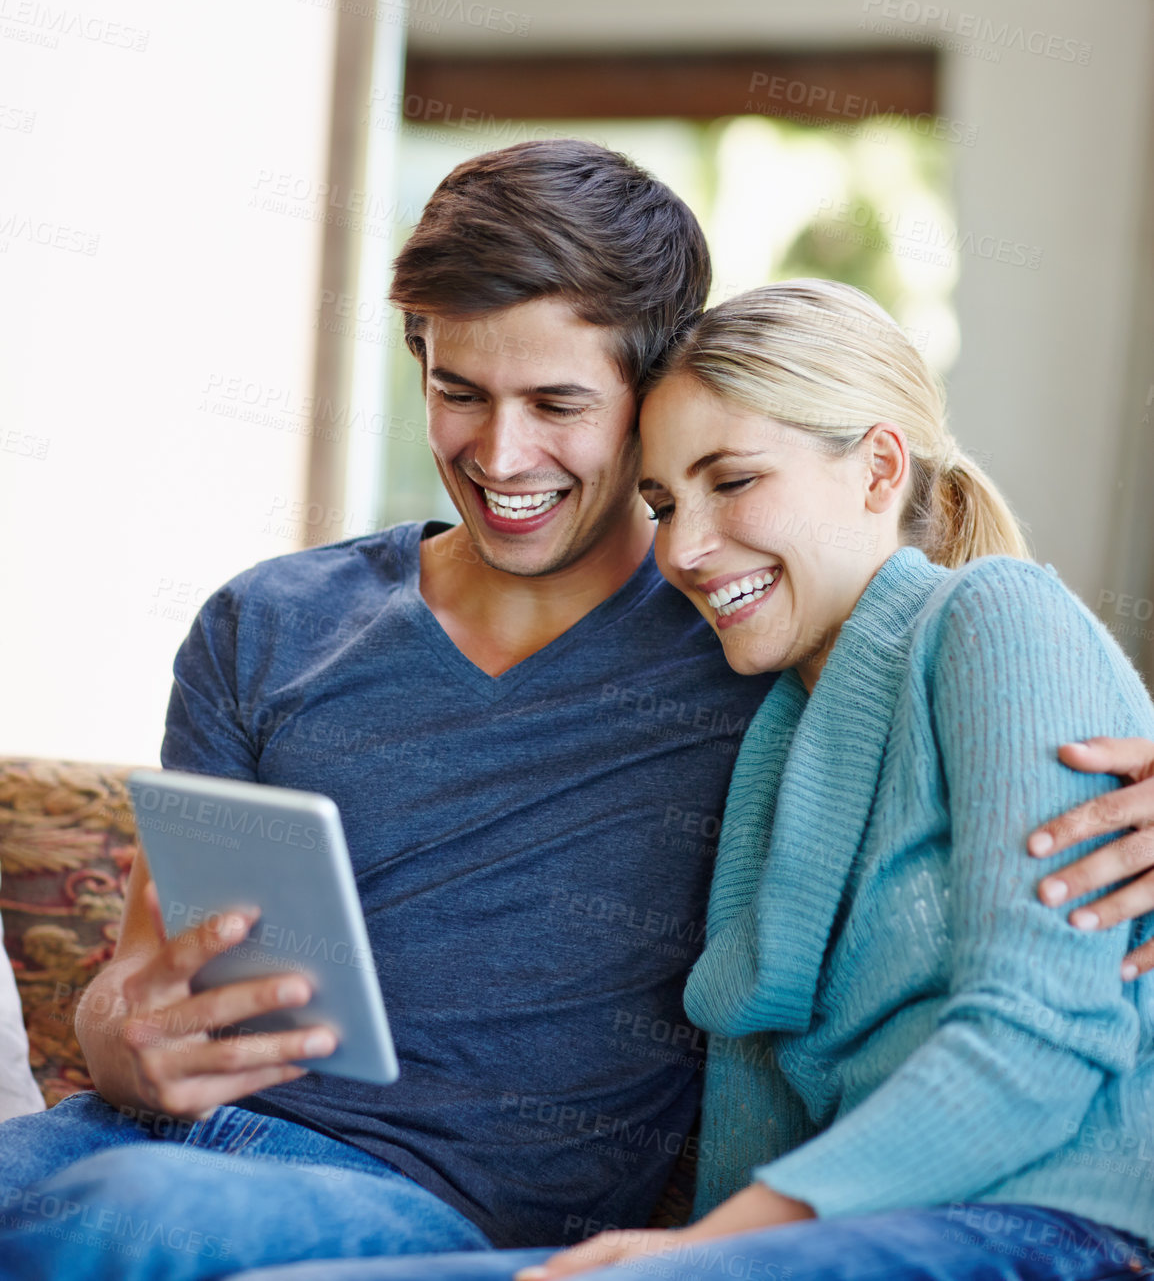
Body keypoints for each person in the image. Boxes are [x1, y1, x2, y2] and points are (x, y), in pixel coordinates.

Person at [0, 141, 769, 1279]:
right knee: (116, 1193)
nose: (500, 455)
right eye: (458, 392)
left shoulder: (742, 643)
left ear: (654, 397)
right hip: (133, 1144)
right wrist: (119, 1040)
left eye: (557, 403)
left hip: (428, 1210)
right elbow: (140, 974)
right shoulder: (265, 624)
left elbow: (969, 677)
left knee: (128, 1212)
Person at [322, 278, 1154, 1281]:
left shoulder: (992, 616)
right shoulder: (772, 728)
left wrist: (702, 1249)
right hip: (847, 1238)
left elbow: (1035, 1038)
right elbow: (758, 1101)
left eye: (733, 481)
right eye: (662, 503)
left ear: (876, 467)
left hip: (1056, 1223)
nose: (682, 547)